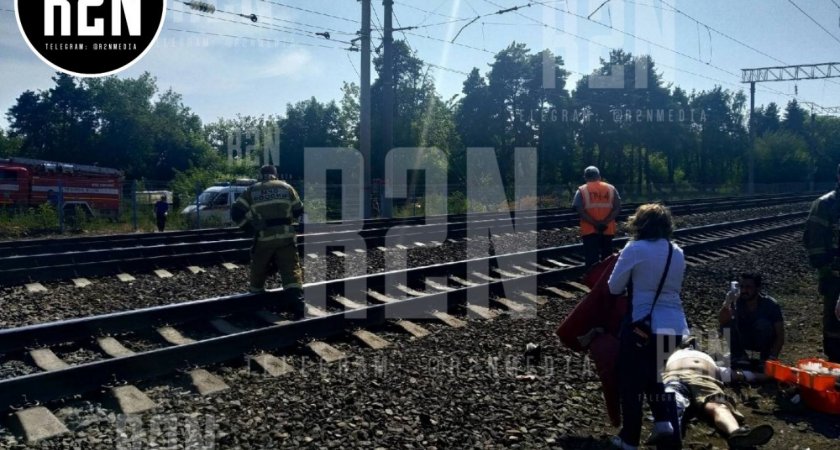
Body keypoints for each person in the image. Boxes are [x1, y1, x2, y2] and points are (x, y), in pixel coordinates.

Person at [607, 203, 688, 450]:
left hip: (644, 326)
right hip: (674, 327)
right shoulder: (677, 251)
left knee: (630, 381)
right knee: (654, 374)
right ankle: (663, 422)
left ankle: (629, 438)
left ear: (639, 224)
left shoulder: (634, 248)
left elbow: (614, 287)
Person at [231, 165, 305, 318]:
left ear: (261, 175)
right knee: (291, 270)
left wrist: (249, 228)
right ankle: (296, 303)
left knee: (258, 269)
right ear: (275, 175)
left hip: (264, 238)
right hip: (286, 237)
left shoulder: (252, 190)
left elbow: (236, 211)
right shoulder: (287, 187)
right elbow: (298, 210)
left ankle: (256, 300)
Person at [662, 348, 775, 448]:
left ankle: (737, 434)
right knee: (673, 401)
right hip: (676, 377)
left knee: (719, 406)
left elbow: (740, 375)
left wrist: (770, 376)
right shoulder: (672, 355)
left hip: (705, 381)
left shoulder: (713, 364)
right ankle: (668, 435)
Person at [802, 163, 840, 363]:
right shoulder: (825, 204)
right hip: (834, 276)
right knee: (835, 322)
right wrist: (825, 270)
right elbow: (813, 241)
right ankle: (835, 362)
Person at [718, 273, 784, 368]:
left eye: (748, 287)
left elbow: (780, 336)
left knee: (763, 324)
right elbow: (722, 320)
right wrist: (727, 304)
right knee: (726, 324)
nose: (744, 290)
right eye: (742, 286)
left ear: (758, 288)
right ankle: (739, 356)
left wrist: (773, 357)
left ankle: (765, 359)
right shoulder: (736, 300)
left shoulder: (770, 305)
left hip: (763, 340)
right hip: (744, 339)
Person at [573, 166, 621, 268]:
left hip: (590, 230)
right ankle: (605, 280)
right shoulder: (611, 188)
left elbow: (579, 210)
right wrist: (605, 222)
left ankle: (592, 281)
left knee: (592, 260)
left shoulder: (581, 190)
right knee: (607, 259)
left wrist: (595, 224)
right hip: (607, 229)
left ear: (585, 177)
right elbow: (617, 207)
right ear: (599, 176)